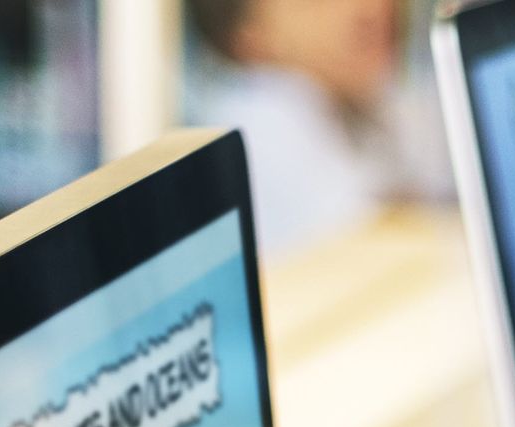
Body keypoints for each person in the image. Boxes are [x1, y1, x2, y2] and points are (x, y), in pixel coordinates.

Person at [182, 0, 457, 259]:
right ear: (247, 36)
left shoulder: (360, 91)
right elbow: (381, 245)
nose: (366, 8)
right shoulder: (257, 118)